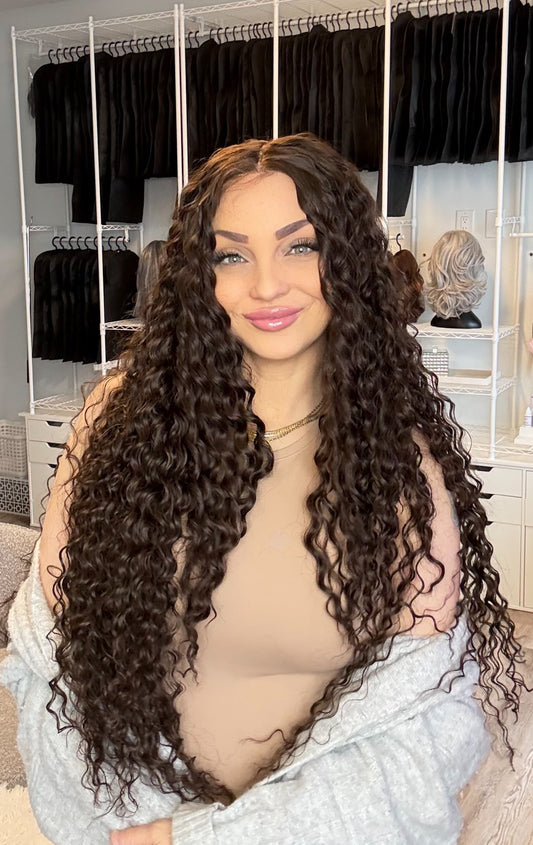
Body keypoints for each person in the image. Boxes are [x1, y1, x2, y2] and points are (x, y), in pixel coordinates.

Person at [1, 134, 529, 845]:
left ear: (345, 261)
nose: (265, 285)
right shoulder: (119, 421)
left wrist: (195, 840)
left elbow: (428, 725)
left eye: (298, 246)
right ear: (199, 273)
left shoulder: (399, 463)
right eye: (231, 254)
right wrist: (125, 826)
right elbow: (49, 658)